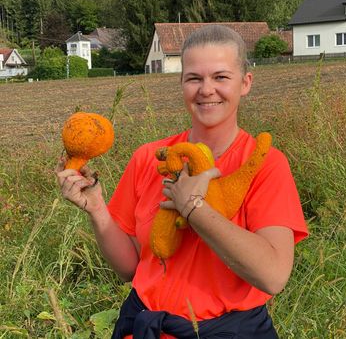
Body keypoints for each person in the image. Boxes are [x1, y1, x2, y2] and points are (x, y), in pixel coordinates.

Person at [56, 24, 308, 338]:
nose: (206, 89)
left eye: (220, 77)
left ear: (245, 83)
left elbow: (273, 276)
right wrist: (96, 209)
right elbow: (130, 268)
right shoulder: (150, 157)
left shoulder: (265, 164)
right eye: (194, 78)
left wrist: (194, 208)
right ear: (182, 84)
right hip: (143, 325)